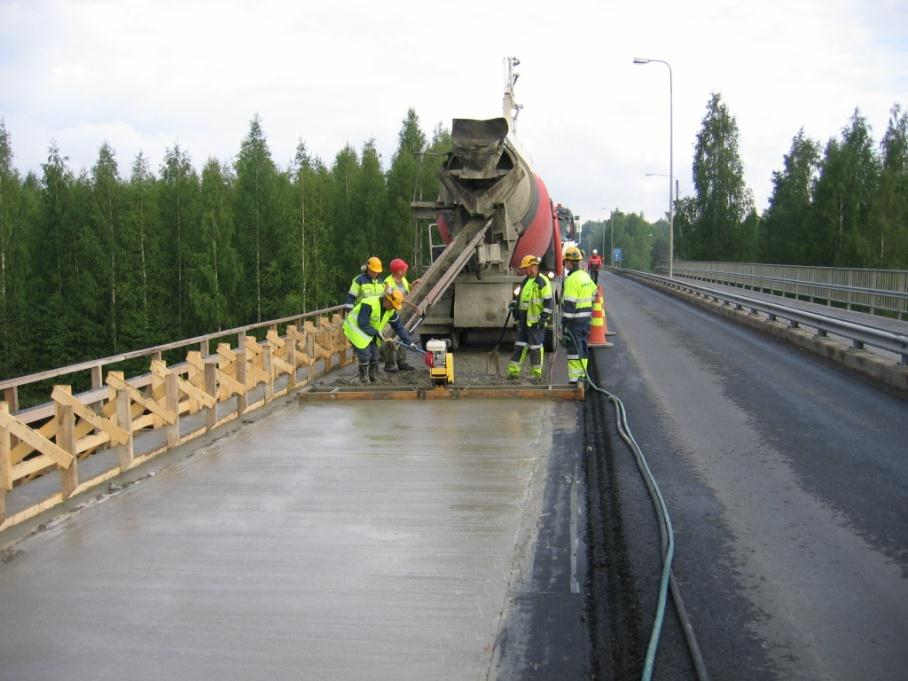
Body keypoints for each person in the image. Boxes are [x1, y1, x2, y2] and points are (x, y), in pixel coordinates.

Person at [343, 287, 418, 385]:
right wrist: (376, 333)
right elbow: (362, 323)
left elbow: (399, 327)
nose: (393, 308)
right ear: (386, 299)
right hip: (355, 328)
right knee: (364, 354)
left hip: (370, 330)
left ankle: (372, 377)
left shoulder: (390, 310)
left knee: (374, 354)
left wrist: (410, 342)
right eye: (392, 305)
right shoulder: (369, 304)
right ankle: (363, 379)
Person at [507, 254, 553, 383]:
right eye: (525, 268)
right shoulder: (525, 281)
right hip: (523, 321)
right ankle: (513, 371)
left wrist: (543, 320)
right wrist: (515, 307)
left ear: (534, 266)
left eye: (527, 268)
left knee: (535, 347)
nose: (525, 270)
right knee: (519, 346)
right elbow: (520, 297)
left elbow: (548, 303)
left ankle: (536, 374)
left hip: (535, 322)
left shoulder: (542, 281)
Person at [562, 245, 599, 385]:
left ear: (571, 262)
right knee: (582, 345)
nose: (565, 264)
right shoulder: (585, 276)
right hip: (585, 319)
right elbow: (595, 292)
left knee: (573, 348)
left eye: (566, 262)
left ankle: (575, 379)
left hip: (575, 321)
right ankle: (582, 375)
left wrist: (564, 325)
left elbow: (569, 306)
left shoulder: (571, 280)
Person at [381, 258, 415, 372]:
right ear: (400, 271)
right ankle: (389, 364)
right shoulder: (387, 283)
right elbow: (387, 299)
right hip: (389, 313)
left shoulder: (403, 279)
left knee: (401, 334)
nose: (406, 270)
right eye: (404, 268)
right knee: (389, 339)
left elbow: (406, 289)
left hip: (401, 313)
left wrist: (412, 285)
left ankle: (402, 361)